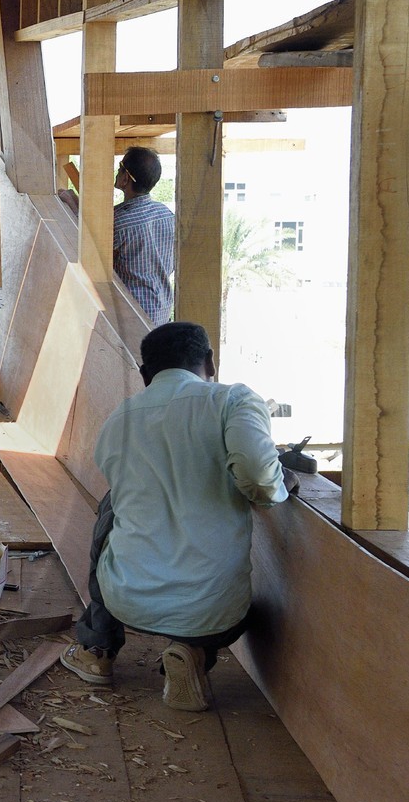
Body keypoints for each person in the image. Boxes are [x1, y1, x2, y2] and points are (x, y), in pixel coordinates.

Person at [58, 322, 295, 711]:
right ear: (210, 363)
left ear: (144, 374)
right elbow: (260, 479)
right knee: (215, 595)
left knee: (112, 506)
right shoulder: (232, 400)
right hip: (215, 616)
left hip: (126, 601)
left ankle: (96, 650)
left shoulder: (120, 418)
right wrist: (272, 485)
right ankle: (191, 653)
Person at [57, 145, 175, 324]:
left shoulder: (119, 222)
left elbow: (90, 251)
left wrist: (70, 203)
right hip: (161, 314)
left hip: (133, 317)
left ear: (126, 178)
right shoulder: (167, 215)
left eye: (120, 168)